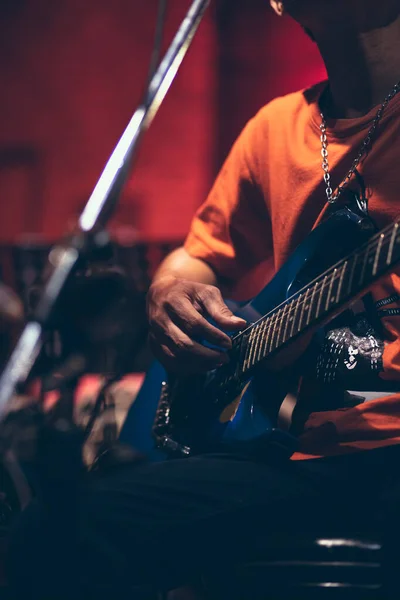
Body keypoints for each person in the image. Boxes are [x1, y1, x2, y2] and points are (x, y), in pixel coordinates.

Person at [7, 1, 400, 598]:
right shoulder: (275, 129)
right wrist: (170, 290)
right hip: (285, 455)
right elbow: (198, 257)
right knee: (60, 529)